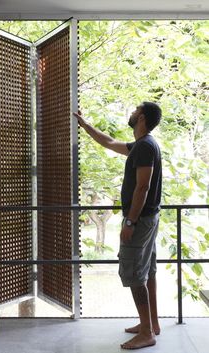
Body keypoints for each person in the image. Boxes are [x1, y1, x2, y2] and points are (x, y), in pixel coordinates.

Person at [74, 101, 162, 350]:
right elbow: (110, 142)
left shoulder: (145, 146)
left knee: (134, 274)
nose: (131, 112)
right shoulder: (143, 145)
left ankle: (146, 333)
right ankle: (152, 324)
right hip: (148, 219)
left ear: (142, 117)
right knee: (148, 271)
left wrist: (130, 221)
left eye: (135, 110)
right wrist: (85, 124)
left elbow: (142, 187)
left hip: (140, 220)